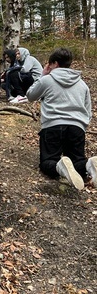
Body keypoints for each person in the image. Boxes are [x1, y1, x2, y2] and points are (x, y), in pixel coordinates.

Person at [26, 47, 97, 190]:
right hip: (77, 126)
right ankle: (89, 164)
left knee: (47, 162)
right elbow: (88, 110)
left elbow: (30, 95)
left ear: (55, 64)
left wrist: (42, 74)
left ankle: (60, 166)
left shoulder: (47, 80)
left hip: (53, 125)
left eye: (49, 64)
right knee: (78, 162)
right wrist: (82, 126)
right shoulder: (82, 84)